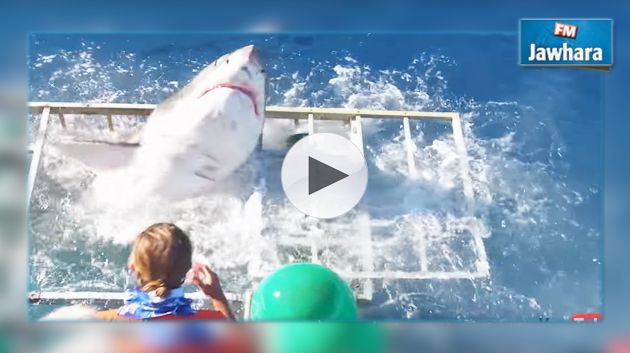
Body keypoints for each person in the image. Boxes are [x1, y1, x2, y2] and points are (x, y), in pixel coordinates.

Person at [96, 223, 234, 321]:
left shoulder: (103, 325)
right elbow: (238, 345)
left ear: (133, 267)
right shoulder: (212, 325)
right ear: (187, 270)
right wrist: (217, 297)